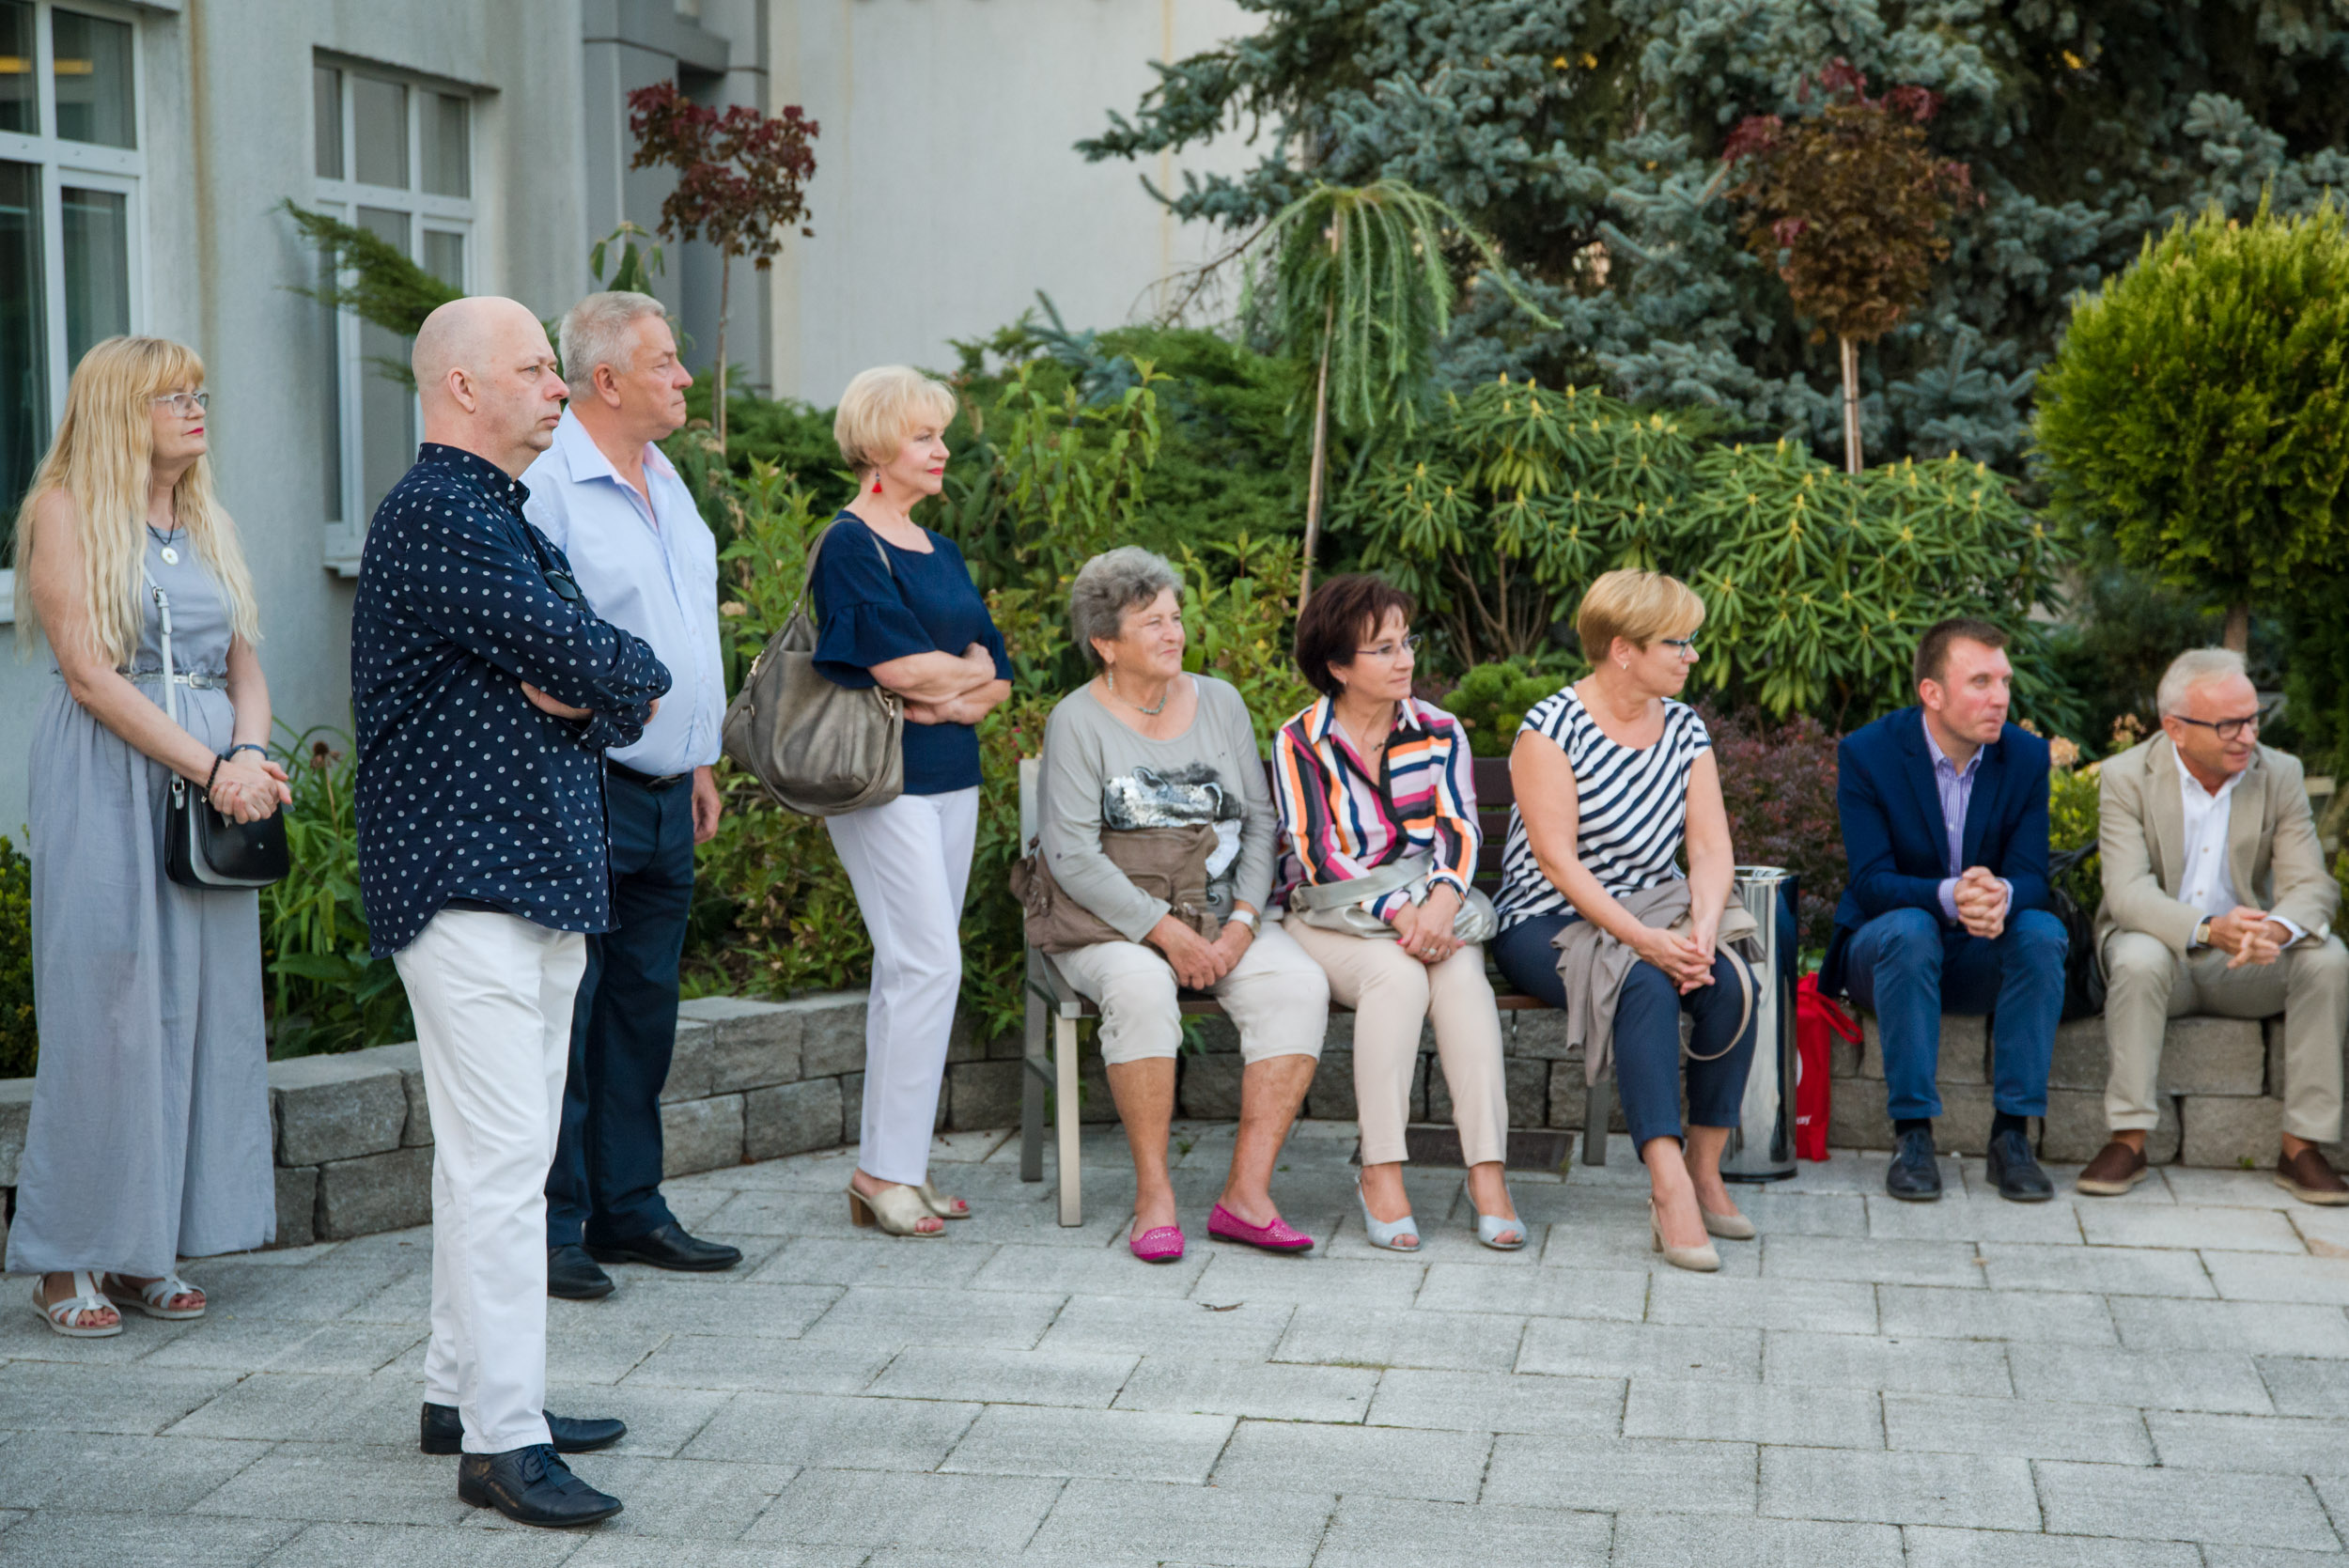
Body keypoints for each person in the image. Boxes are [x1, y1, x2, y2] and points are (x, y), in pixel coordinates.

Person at [353, 296, 669, 1528]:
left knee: (496, 1161)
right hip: (467, 881)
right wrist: (589, 679)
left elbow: (612, 669)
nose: (558, 386)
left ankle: (462, 1393)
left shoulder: (500, 516)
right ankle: (503, 1440)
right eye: (536, 369)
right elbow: (610, 662)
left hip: (528, 875)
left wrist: (585, 688)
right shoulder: (437, 515)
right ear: (464, 389)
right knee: (500, 1172)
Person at [7, 335, 287, 1336]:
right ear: (122, 409)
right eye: (175, 395)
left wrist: (248, 756)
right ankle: (64, 1258)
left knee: (199, 1009)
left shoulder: (207, 517)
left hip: (214, 784)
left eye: (201, 392)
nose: (196, 408)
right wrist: (212, 767)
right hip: (114, 775)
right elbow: (89, 674)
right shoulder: (66, 512)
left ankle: (149, 1247)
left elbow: (245, 660)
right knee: (109, 1006)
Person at [521, 293, 739, 1299]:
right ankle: (558, 1224)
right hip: (586, 782)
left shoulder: (667, 481)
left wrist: (697, 758)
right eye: (664, 362)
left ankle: (630, 1206)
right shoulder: (549, 488)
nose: (683, 378)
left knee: (643, 1011)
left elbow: (687, 626)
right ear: (605, 380)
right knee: (572, 1006)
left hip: (664, 792)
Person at [1040, 549, 1330, 1261]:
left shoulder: (1221, 700)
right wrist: (1166, 932)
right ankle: (1154, 1195)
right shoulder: (1076, 721)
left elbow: (1262, 822)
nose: (1173, 633)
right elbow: (1072, 854)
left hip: (1222, 911)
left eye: (1175, 616)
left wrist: (1241, 924)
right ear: (1106, 643)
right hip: (1114, 924)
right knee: (1139, 989)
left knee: (1297, 984)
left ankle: (1246, 1195)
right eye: (1152, 622)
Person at [1492, 569, 1759, 1272]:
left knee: (1730, 978)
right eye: (1678, 641)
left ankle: (1705, 1169)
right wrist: (1646, 941)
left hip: (1656, 909)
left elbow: (1708, 847)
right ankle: (1667, 1188)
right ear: (1623, 649)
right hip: (1548, 919)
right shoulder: (1549, 729)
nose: (1692, 655)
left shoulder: (1684, 726)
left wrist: (1701, 931)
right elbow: (1558, 863)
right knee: (1640, 980)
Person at [813, 365, 1012, 1237]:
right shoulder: (853, 543)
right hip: (882, 782)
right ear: (879, 445)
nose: (942, 450)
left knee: (915, 970)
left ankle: (894, 1169)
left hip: (951, 773)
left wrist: (955, 690)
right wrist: (944, 680)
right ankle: (884, 1171)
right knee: (928, 964)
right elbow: (894, 670)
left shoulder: (941, 546)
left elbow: (998, 673)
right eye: (925, 435)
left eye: (942, 434)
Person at [1272, 575, 1522, 1251]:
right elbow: (1316, 851)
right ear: (1337, 666)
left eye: (1406, 640)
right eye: (1382, 649)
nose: (1404, 658)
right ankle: (1380, 1169)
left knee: (1464, 980)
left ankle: (1488, 1174)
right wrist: (1404, 912)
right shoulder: (1300, 741)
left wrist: (1439, 903)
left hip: (1431, 910)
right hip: (1332, 916)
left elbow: (1461, 829)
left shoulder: (1440, 729)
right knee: (1398, 978)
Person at [2082, 647, 2349, 1203]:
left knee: (2327, 958)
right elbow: (2127, 894)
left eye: (2253, 718)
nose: (2247, 736)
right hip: (2164, 954)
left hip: (2248, 960)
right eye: (2230, 724)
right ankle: (2128, 1139)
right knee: (2135, 956)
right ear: (2174, 728)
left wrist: (2275, 930)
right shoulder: (2126, 776)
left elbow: (2313, 885)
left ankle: (2303, 1146)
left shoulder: (2280, 774)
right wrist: (2207, 928)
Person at [1819, 616, 2064, 1203]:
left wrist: (1999, 894)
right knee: (1910, 928)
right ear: (1932, 693)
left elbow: (2033, 876)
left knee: (2041, 933)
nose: (2001, 697)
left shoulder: (2026, 757)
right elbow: (1872, 883)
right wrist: (1950, 895)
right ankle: (1913, 1136)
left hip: (1982, 951)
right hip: (1888, 956)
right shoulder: (1869, 754)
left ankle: (2011, 1137)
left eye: (2005, 680)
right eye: (1981, 681)